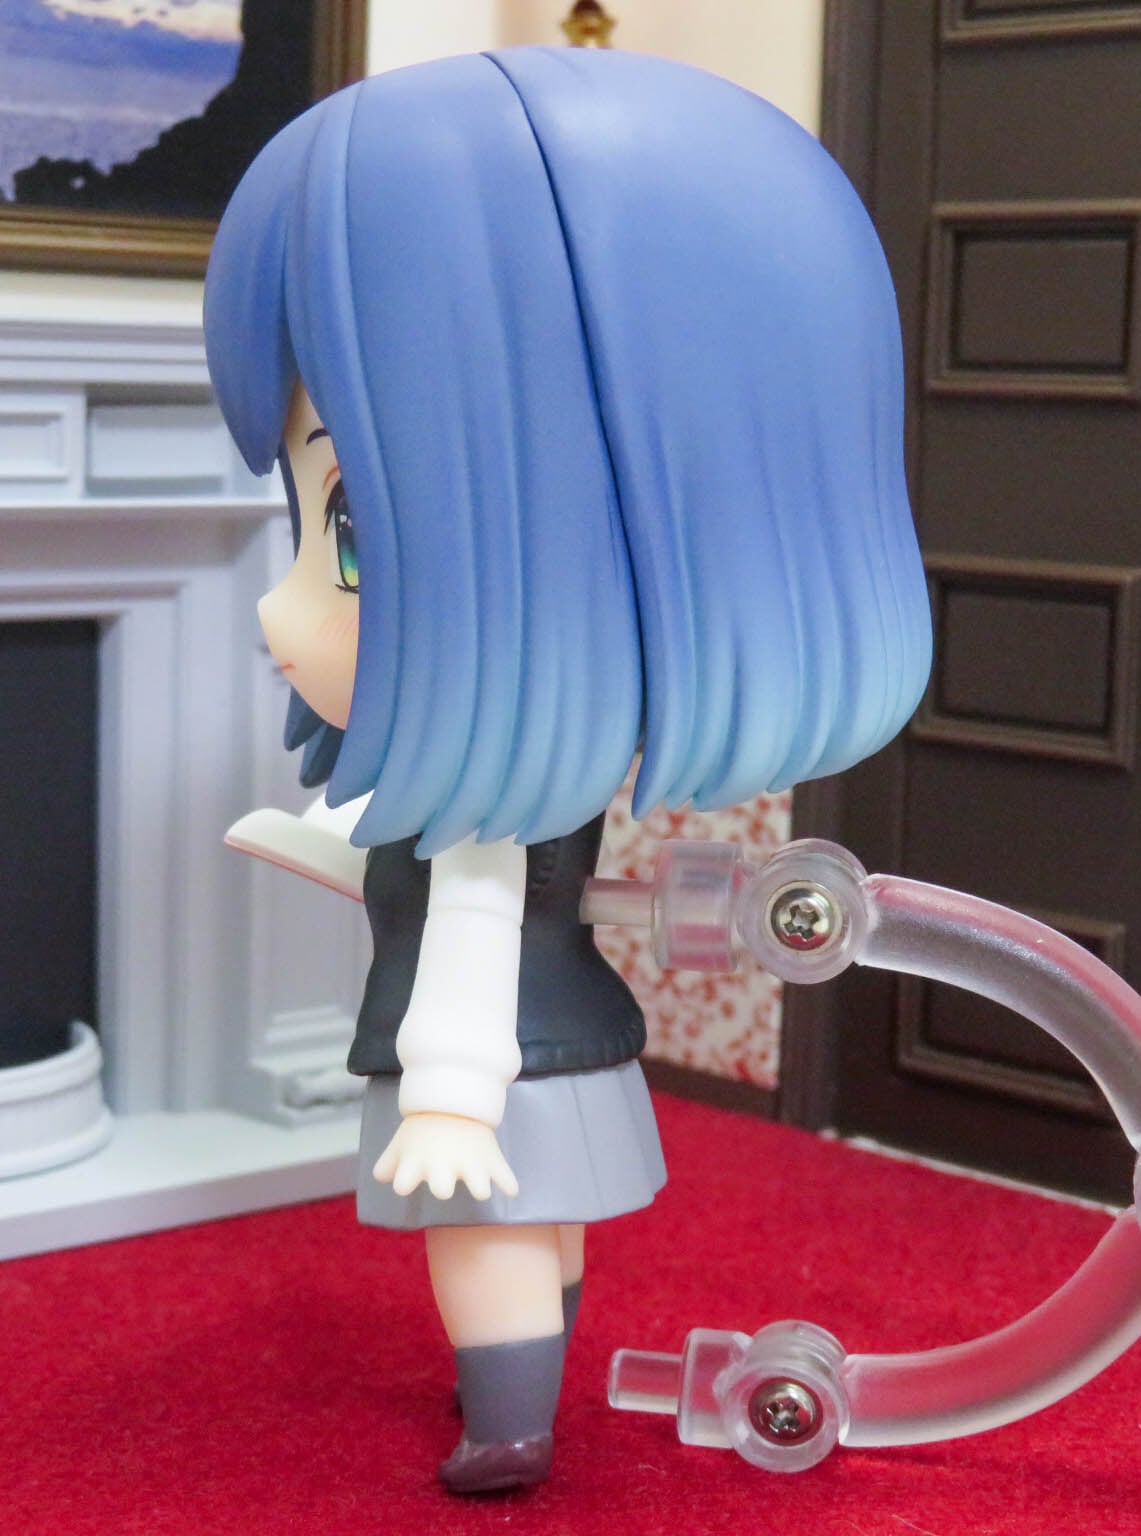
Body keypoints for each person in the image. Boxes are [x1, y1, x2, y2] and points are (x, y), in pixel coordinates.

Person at [204, 45, 930, 1494]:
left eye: (351, 535)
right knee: (542, 1219)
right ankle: (529, 1387)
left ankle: (509, 1422)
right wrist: (306, 842)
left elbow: (472, 921)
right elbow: (425, 877)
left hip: (486, 1058)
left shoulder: (496, 803)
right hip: (556, 1039)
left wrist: (447, 1091)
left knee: (483, 1231)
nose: (284, 612)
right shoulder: (501, 783)